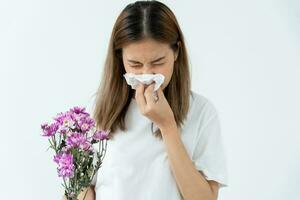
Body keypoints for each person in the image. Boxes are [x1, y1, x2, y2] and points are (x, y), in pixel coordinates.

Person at [67, 1, 229, 199]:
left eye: (158, 62)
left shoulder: (201, 111)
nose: (146, 74)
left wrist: (167, 126)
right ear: (120, 58)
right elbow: (77, 189)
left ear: (176, 52)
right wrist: (80, 192)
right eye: (135, 64)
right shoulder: (99, 109)